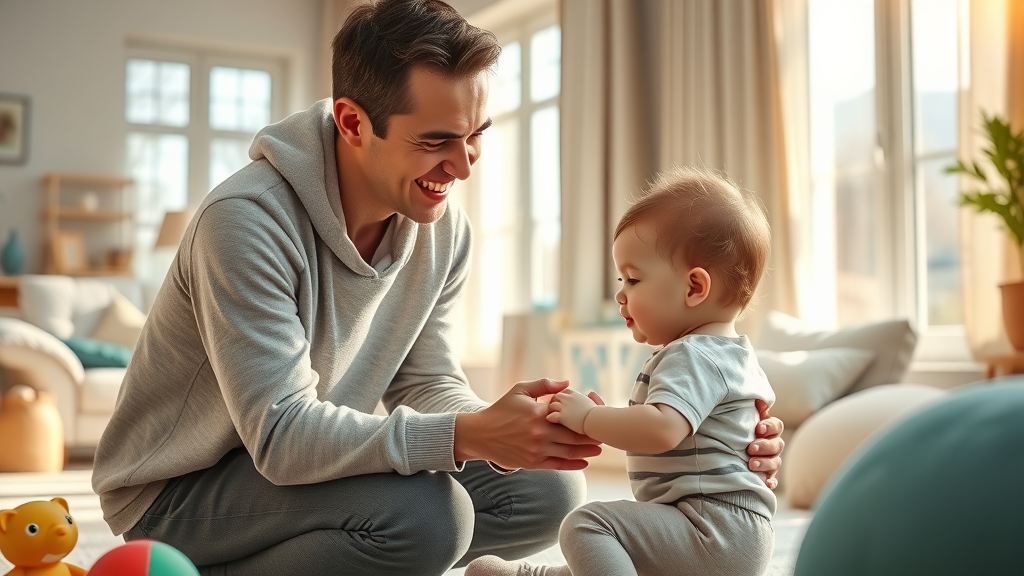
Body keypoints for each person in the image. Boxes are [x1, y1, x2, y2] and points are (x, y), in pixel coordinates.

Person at [91, 2, 785, 575]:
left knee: (546, 490)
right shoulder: (244, 225)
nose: (463, 165)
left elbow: (426, 381)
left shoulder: (441, 227)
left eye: (476, 135)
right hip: (182, 491)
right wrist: (463, 435)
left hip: (312, 467)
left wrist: (512, 429)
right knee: (430, 520)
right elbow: (278, 435)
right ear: (354, 123)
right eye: (436, 141)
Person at [468, 166, 778, 576]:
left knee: (588, 525)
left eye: (633, 279)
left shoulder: (694, 355)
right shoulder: (731, 355)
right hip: (725, 534)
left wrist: (591, 418)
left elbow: (661, 430)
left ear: (694, 288)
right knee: (613, 556)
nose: (620, 293)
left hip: (710, 532)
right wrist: (607, 419)